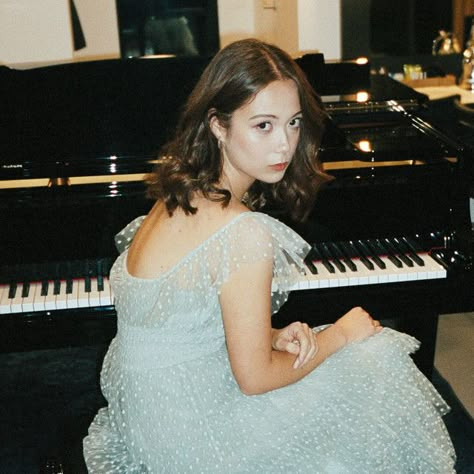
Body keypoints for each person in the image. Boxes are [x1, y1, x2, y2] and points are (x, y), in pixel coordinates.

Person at [83, 38, 455, 473]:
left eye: (293, 123)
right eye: (264, 125)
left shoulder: (178, 194)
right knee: (374, 357)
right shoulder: (243, 232)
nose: (284, 145)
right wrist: (340, 334)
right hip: (193, 438)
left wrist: (272, 335)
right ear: (218, 125)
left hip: (151, 415)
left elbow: (181, 318)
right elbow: (255, 380)